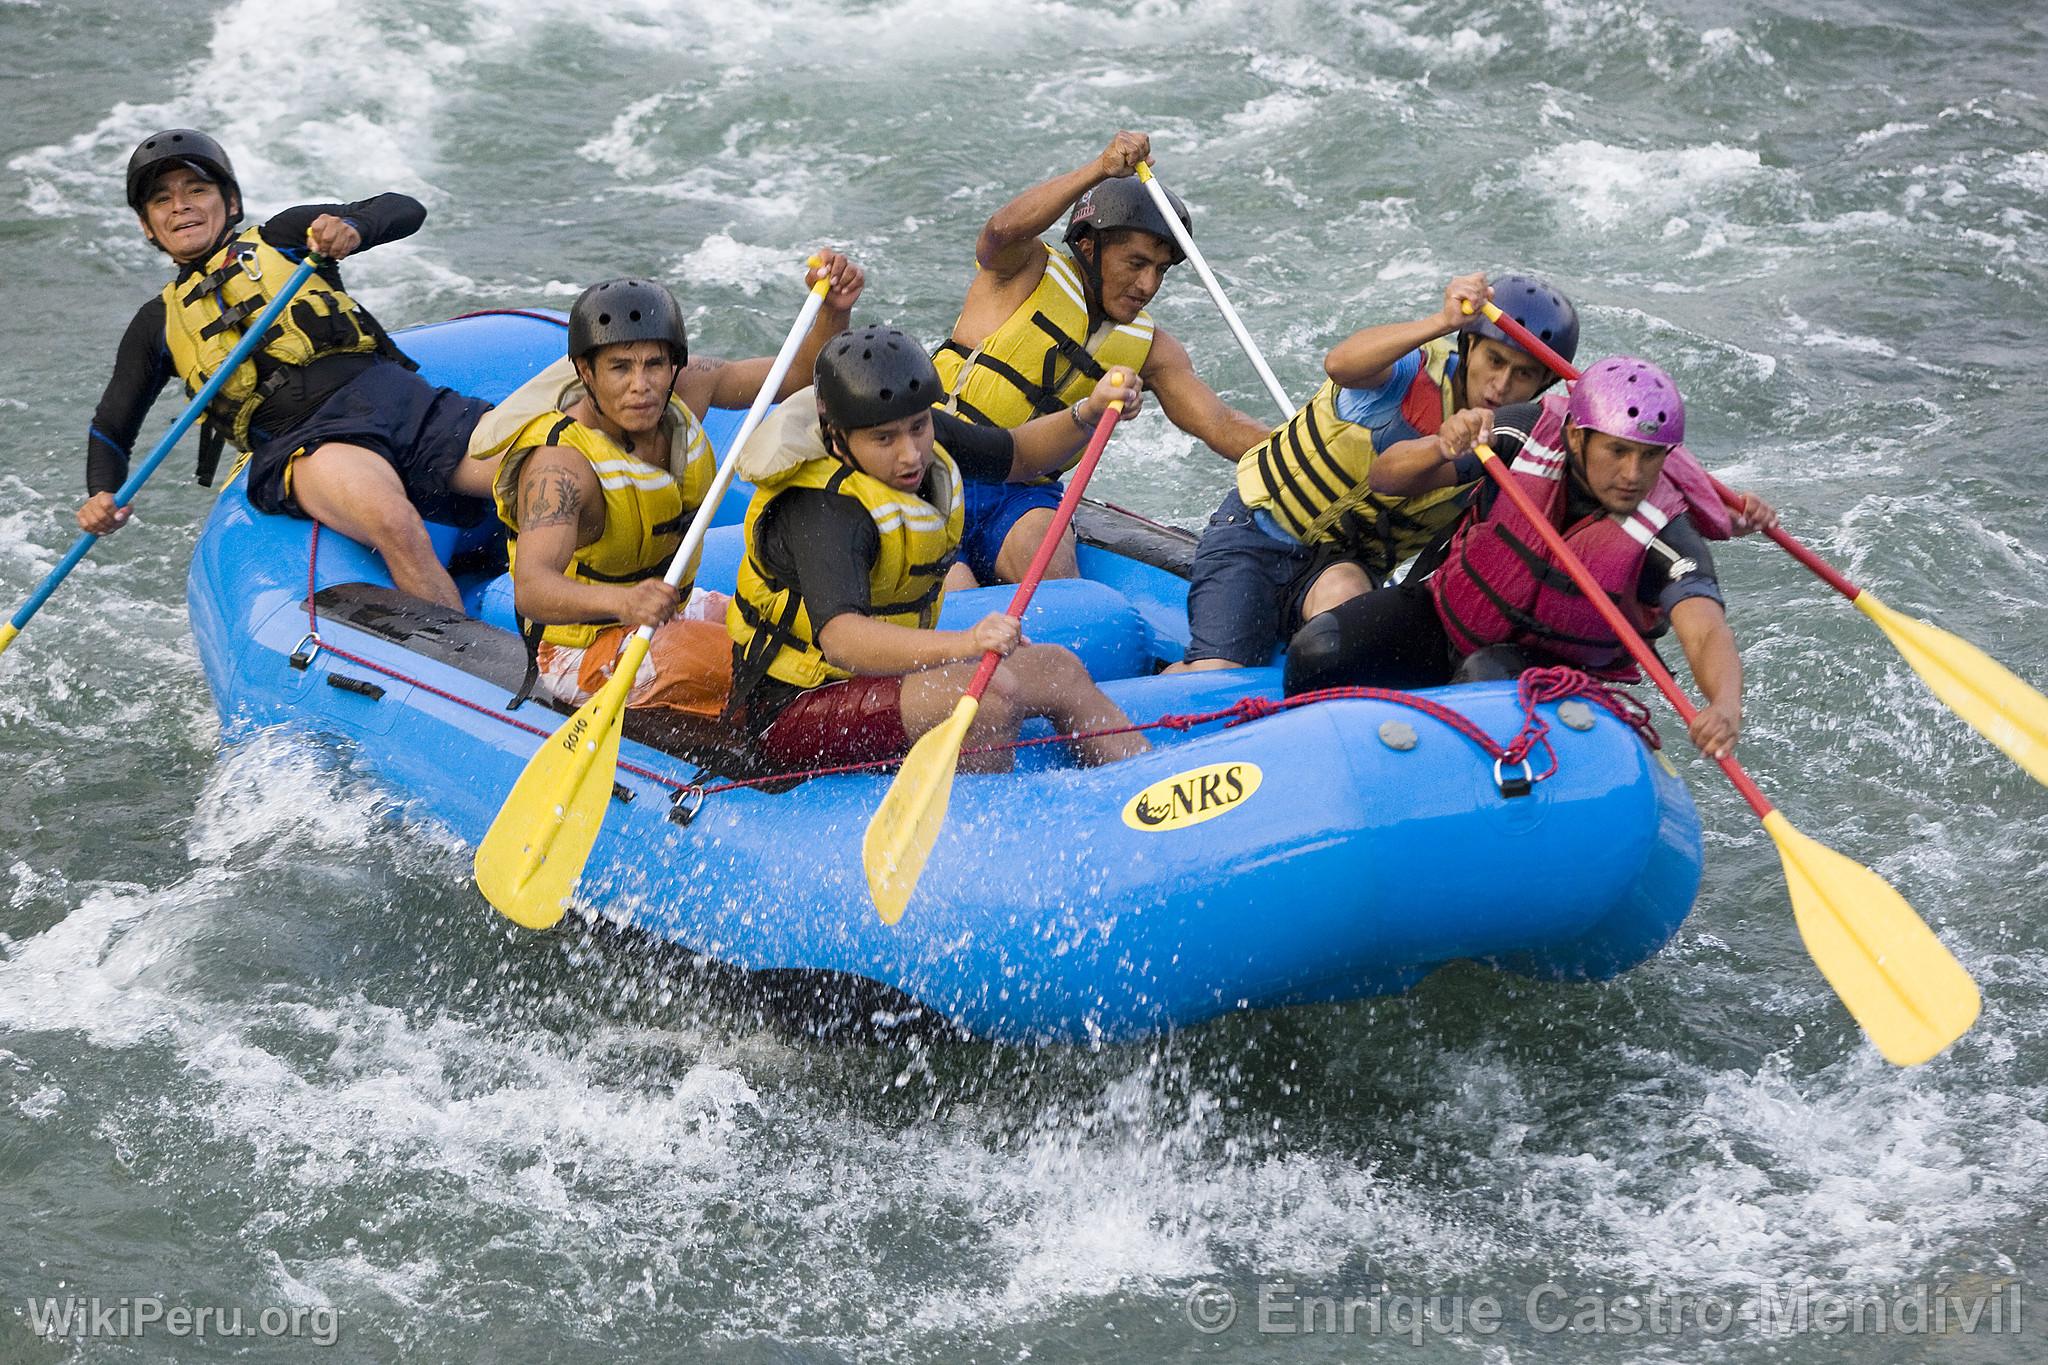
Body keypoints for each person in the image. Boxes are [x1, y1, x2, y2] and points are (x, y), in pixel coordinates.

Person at [80, 128, 497, 611]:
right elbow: (112, 427)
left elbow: (404, 208)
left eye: (196, 190)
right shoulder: (156, 325)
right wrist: (101, 494)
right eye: (161, 200)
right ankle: (469, 666)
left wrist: (354, 227)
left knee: (537, 465)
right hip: (307, 442)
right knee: (393, 522)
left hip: (396, 400)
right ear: (147, 227)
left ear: (231, 202)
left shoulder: (285, 237)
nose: (180, 206)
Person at [1284, 357, 1764, 757]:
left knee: (1483, 684)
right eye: (1617, 451)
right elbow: (1387, 479)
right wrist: (1438, 446)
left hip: (1548, 677)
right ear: (1577, 436)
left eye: (1650, 455)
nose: (1633, 474)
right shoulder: (1522, 435)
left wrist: (1723, 705)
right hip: (1445, 618)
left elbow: (1704, 629)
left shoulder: (1666, 531)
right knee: (1319, 648)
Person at [727, 326, 1151, 772]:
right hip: (791, 712)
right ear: (837, 436)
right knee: (991, 699)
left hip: (884, 679)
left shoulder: (917, 432)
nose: (911, 454)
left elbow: (1019, 455)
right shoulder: (823, 508)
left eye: (918, 428)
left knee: (1058, 670)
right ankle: (991, 829)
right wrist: (965, 643)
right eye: (885, 440)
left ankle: (1144, 789)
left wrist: (1089, 410)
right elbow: (842, 641)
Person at [469, 260, 864, 715]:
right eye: (620, 368)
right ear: (586, 371)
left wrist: (833, 312)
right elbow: (533, 588)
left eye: (654, 364)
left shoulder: (688, 388)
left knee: (799, 634)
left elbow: (796, 375)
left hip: (668, 612)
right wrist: (624, 602)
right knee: (771, 669)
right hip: (584, 651)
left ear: (674, 362)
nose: (642, 386)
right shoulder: (560, 465)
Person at [1175, 272, 1579, 671]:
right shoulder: (1410, 371)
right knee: (1218, 670)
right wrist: (1441, 322)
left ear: (1543, 383)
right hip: (1254, 535)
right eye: (1495, 360)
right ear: (1469, 345)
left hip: (1340, 568)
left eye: (1523, 373)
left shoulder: (1510, 443)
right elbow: (1340, 364)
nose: (1501, 384)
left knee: (1346, 626)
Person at [932, 130, 1270, 586]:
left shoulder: (1153, 349)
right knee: (953, 590)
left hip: (1023, 496)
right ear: (1089, 246)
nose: (1148, 285)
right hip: (935, 466)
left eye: (1160, 270)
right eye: (1136, 263)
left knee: (1051, 577)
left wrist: (1311, 452)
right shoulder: (1022, 269)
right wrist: (1098, 170)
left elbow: (1219, 424)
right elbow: (1000, 231)